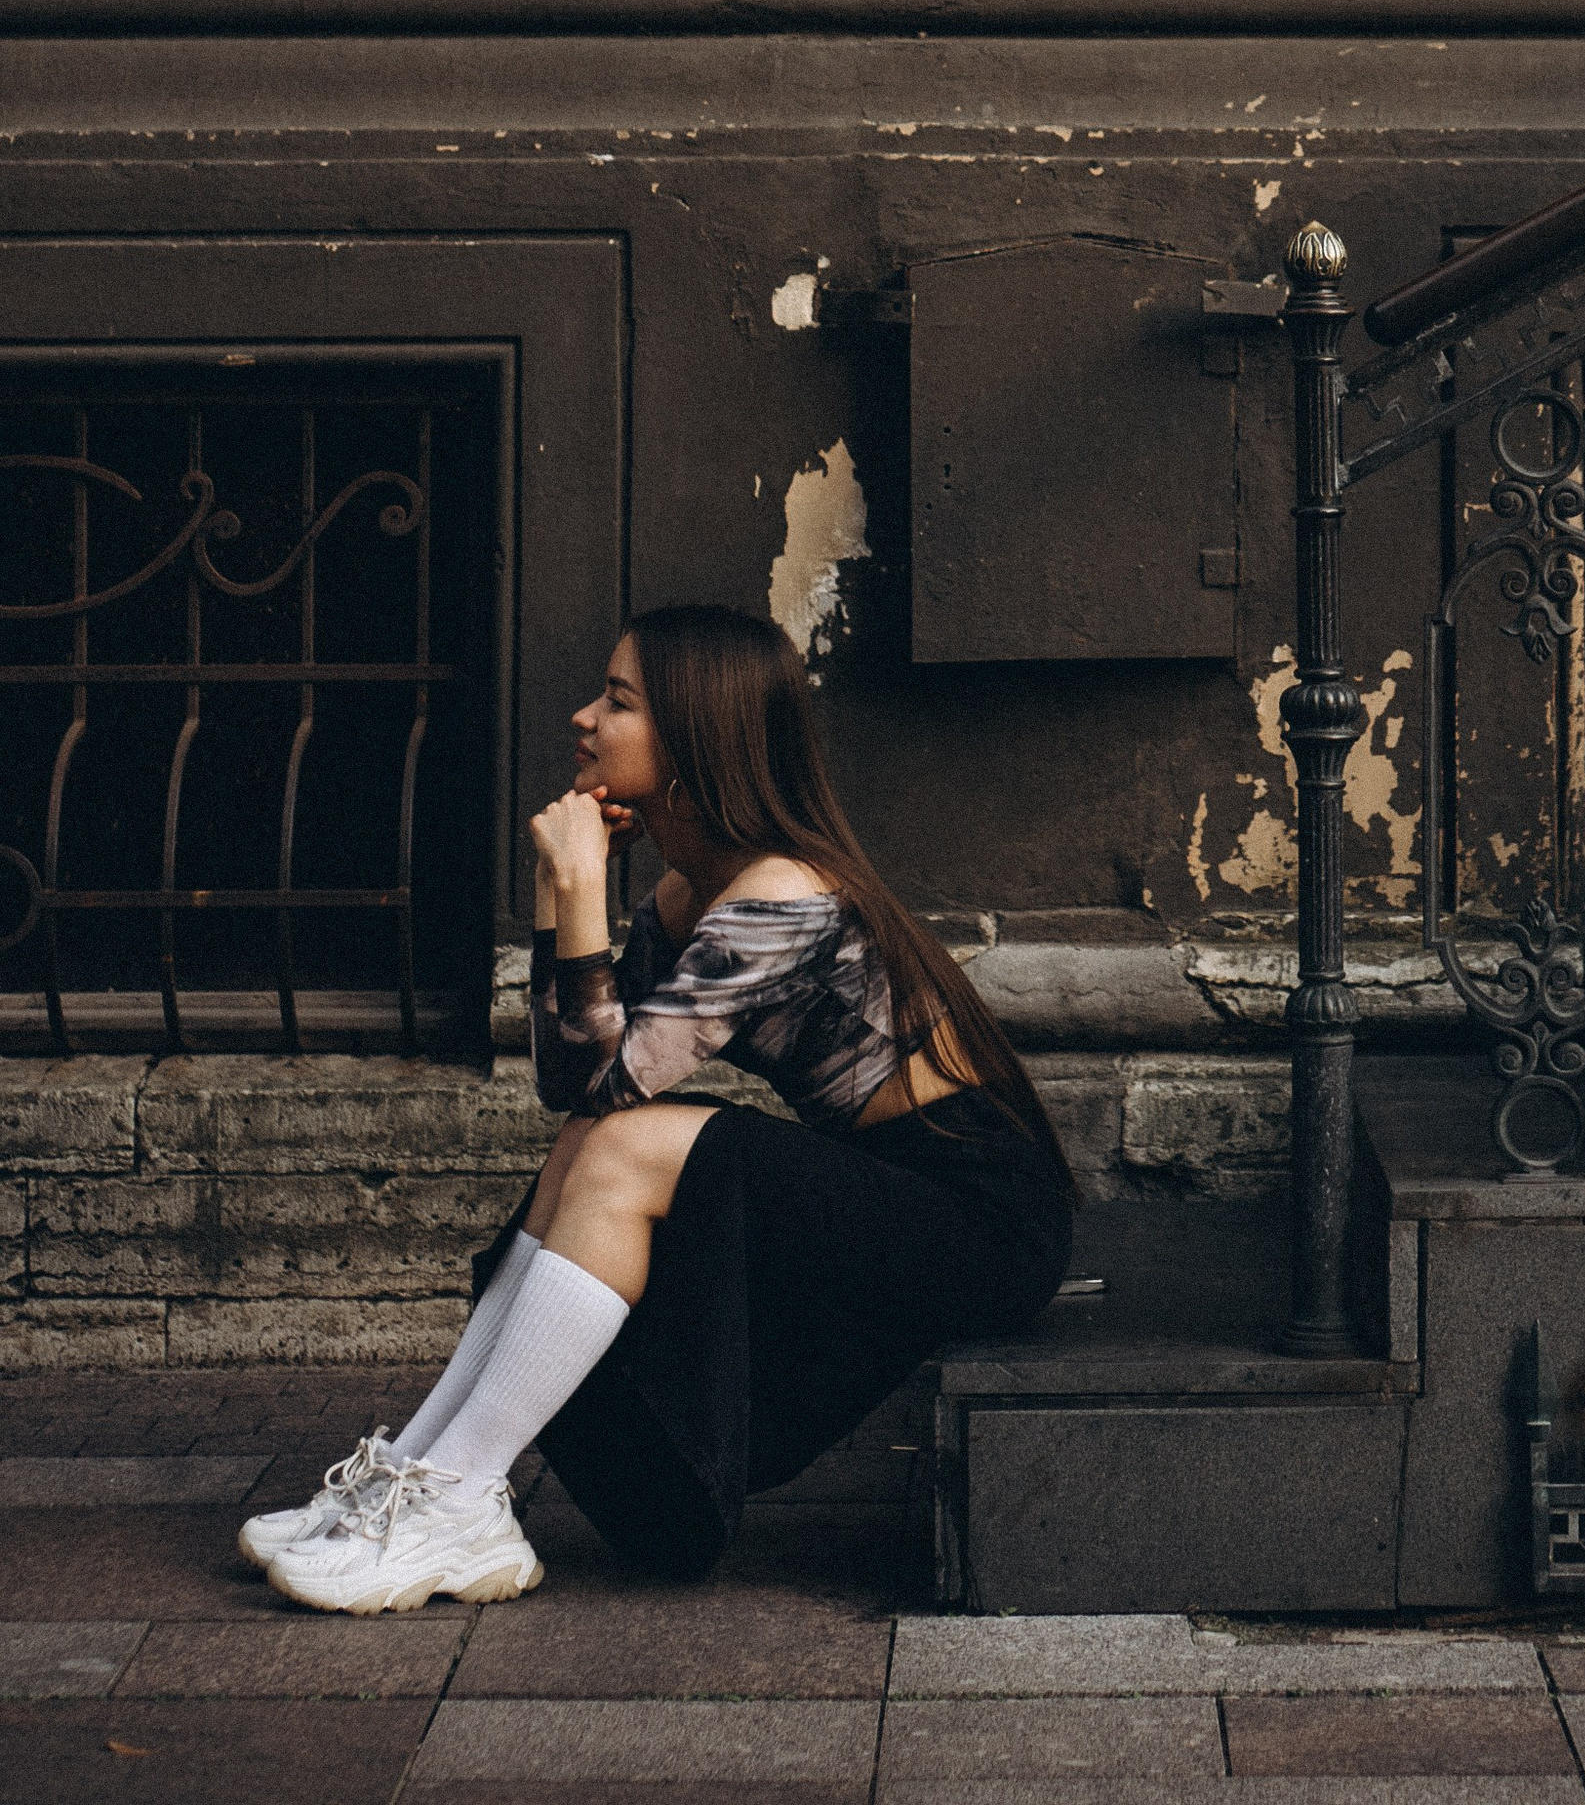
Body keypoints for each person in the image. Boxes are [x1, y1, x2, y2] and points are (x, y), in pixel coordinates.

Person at [236, 601, 1075, 1612]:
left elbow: (610, 1082)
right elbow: (570, 1087)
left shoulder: (785, 897)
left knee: (629, 1142)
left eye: (618, 701)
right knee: (597, 1140)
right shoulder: (687, 895)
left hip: (976, 1217)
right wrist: (562, 897)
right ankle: (411, 1475)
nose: (584, 719)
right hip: (889, 1186)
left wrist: (583, 882)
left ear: (695, 738)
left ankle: (459, 1497)